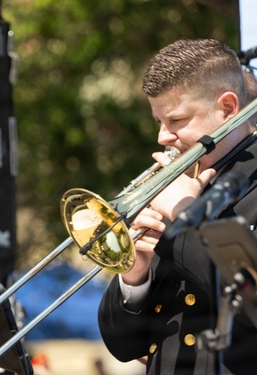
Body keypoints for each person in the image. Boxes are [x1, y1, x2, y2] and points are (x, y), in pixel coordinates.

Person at [98, 39, 257, 374]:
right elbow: (125, 346)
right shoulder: (179, 186)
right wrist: (134, 277)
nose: (162, 137)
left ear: (228, 108)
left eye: (176, 120)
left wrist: (184, 214)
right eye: (159, 121)